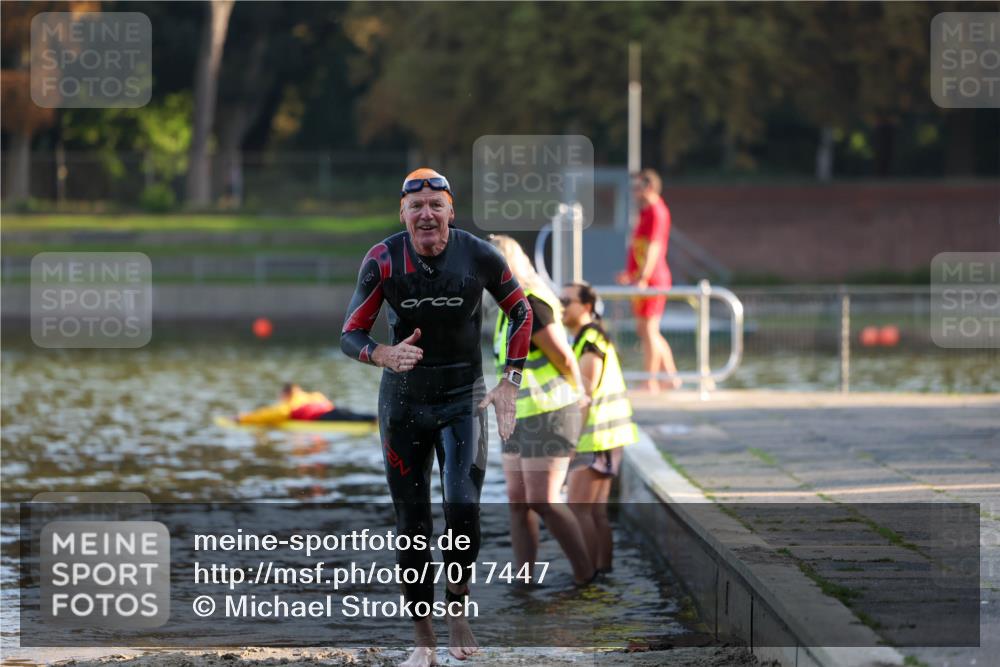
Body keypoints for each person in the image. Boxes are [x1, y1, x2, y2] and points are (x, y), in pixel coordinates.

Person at [341, 168, 531, 666]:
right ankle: (423, 640)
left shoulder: (479, 256)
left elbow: (522, 311)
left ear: (450, 210)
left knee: (463, 508)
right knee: (413, 523)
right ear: (402, 214)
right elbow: (350, 333)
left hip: (463, 398)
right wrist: (382, 354)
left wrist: (510, 381)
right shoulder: (383, 259)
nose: (426, 215)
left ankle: (457, 606)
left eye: (435, 205)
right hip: (403, 402)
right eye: (416, 207)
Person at [489, 235, 596, 587]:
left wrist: (579, 393)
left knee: (543, 500)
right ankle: (524, 582)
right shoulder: (505, 310)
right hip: (518, 417)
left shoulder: (531, 304)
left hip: (549, 412)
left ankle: (586, 577)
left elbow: (564, 357)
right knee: (517, 501)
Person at [561, 282, 639, 573]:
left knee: (578, 509)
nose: (560, 306)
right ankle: (601, 574)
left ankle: (586, 577)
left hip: (595, 438)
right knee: (595, 512)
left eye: (567, 301)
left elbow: (585, 397)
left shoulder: (590, 342)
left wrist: (569, 443)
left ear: (586, 307)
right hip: (605, 437)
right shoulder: (589, 338)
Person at [616, 169, 681, 393]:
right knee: (646, 330)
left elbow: (654, 246)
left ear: (650, 188)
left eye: (637, 188)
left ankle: (650, 380)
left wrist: (643, 277)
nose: (634, 192)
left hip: (653, 280)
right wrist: (631, 273)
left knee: (649, 329)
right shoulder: (645, 212)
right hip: (645, 278)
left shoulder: (656, 211)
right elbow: (640, 247)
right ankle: (670, 377)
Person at [236, 383, 374, 425]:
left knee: (349, 417)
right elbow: (322, 399)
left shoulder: (291, 402)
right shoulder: (309, 395)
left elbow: (273, 414)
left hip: (323, 417)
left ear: (286, 394)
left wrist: (243, 418)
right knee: (351, 414)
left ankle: (373, 420)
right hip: (332, 410)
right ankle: (374, 418)